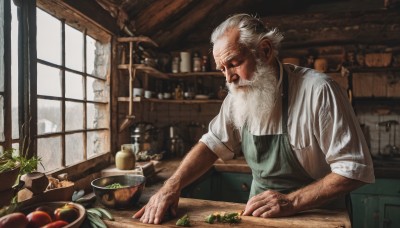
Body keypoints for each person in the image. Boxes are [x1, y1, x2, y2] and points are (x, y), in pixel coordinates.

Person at [133, 13, 375, 224]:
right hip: (261, 215)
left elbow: (352, 169)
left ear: (265, 51)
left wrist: (292, 201)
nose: (228, 78)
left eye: (234, 64)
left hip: (320, 214)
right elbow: (211, 143)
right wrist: (171, 186)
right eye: (222, 69)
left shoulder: (319, 91)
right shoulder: (237, 96)